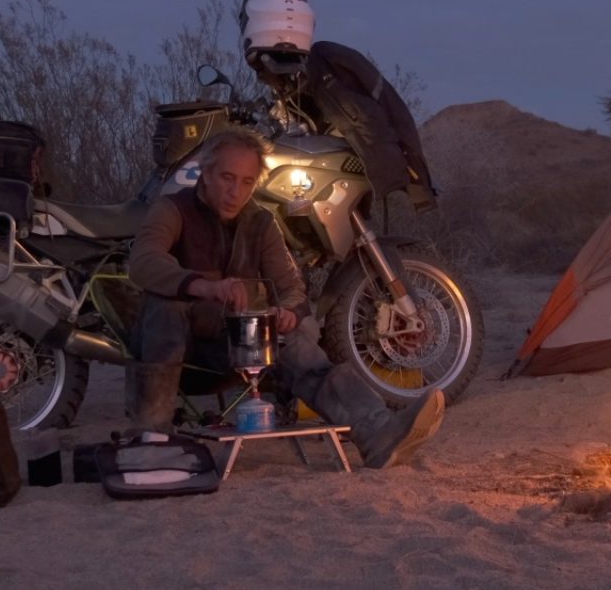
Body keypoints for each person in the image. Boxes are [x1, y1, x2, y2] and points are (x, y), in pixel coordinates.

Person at [126, 125, 446, 468]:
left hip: (236, 351)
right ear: (205, 172)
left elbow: (290, 286)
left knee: (296, 343)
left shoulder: (260, 222)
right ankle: (153, 438)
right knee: (165, 305)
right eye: (227, 178)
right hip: (176, 352)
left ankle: (376, 431)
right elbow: (142, 262)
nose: (235, 192)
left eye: (247, 182)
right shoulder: (173, 209)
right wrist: (201, 286)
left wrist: (289, 311)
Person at [237, 0, 437, 212]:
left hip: (344, 171)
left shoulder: (323, 66)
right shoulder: (301, 76)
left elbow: (369, 120)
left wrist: (400, 169)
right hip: (335, 171)